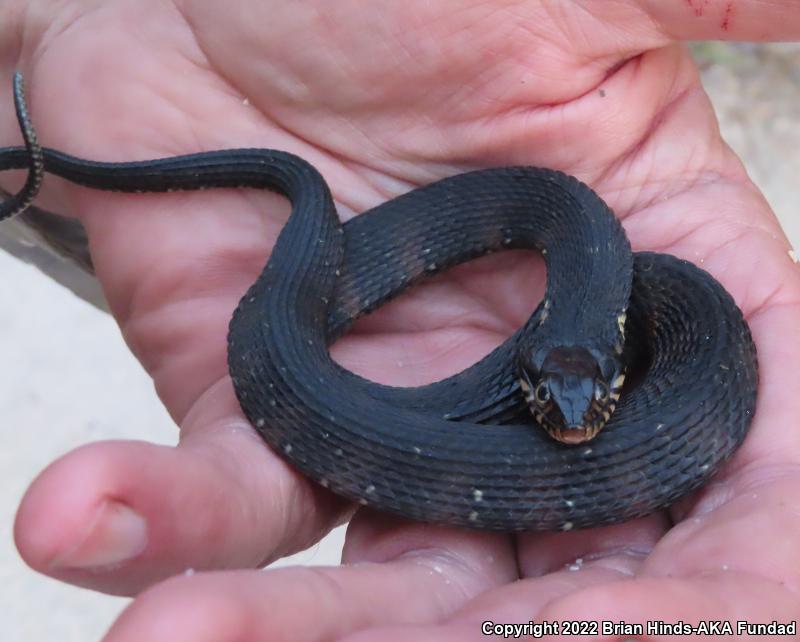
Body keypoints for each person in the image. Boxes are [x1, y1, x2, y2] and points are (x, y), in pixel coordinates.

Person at [4, 1, 799, 639]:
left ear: (612, 358)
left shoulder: (631, 290)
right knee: (299, 308)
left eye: (590, 403)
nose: (570, 423)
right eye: (548, 401)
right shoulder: (583, 244)